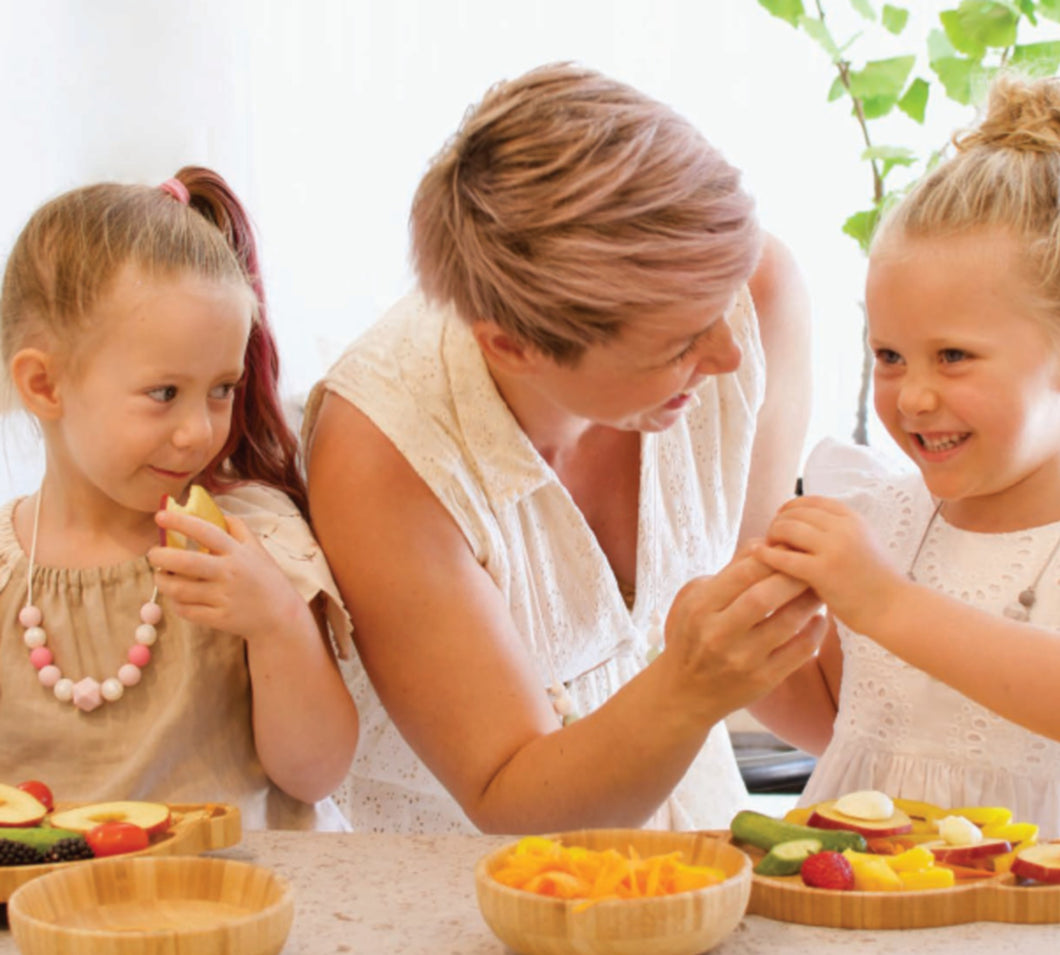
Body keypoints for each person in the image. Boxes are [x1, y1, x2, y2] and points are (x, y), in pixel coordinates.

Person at [302, 62, 824, 834]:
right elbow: (509, 797)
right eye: (680, 343)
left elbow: (761, 610)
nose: (728, 358)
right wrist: (689, 684)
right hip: (470, 883)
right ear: (514, 348)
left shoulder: (757, 291)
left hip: (693, 842)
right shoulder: (384, 451)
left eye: (723, 301)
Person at [0, 166, 358, 830]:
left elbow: (316, 772)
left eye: (222, 388)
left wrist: (276, 622)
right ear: (45, 386)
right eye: (165, 393)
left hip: (239, 903)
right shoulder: (6, 576)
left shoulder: (248, 543)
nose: (200, 431)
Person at [753, 73, 1060, 836]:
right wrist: (749, 641)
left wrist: (883, 600)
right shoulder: (886, 516)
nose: (912, 395)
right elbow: (838, 715)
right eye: (889, 354)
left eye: (952, 355)